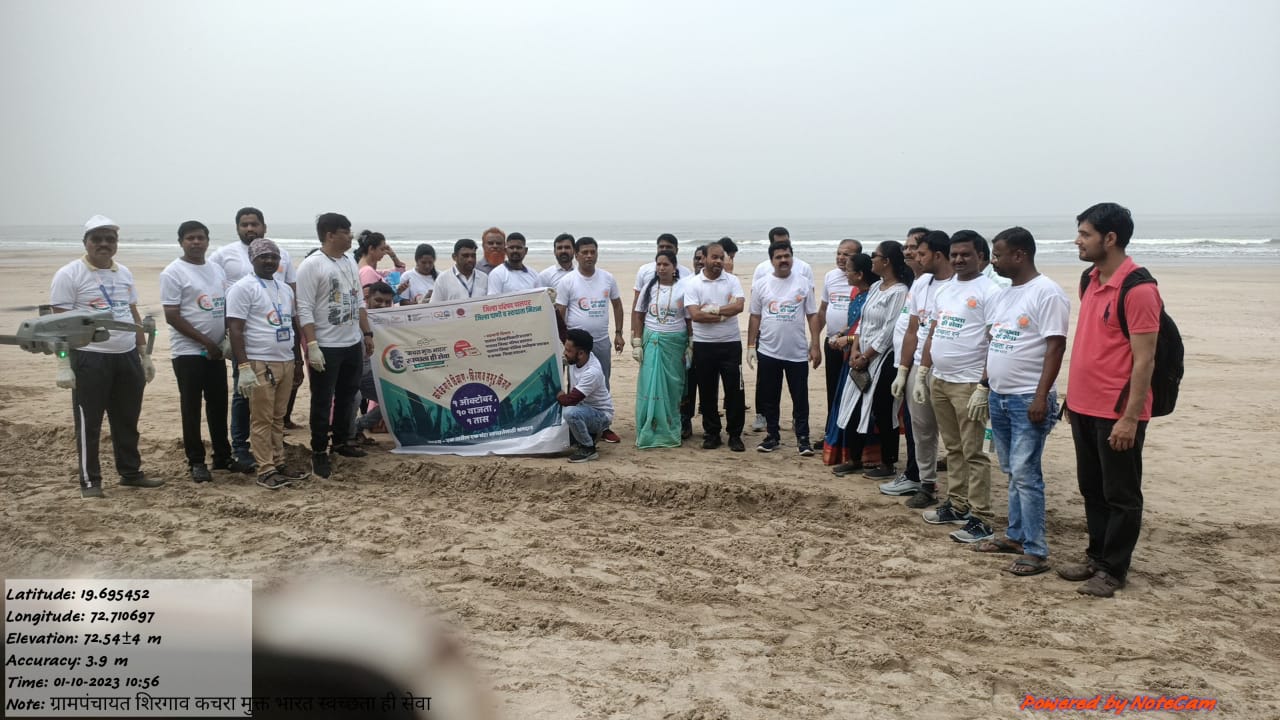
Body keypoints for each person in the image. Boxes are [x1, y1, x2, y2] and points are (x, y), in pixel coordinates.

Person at [1059, 202, 1161, 598]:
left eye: (1085, 234)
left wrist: (1130, 418)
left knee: (1121, 494)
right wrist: (1073, 400)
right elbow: (1094, 344)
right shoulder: (1089, 279)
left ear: (1111, 238)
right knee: (1092, 488)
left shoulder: (1139, 289)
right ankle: (1096, 556)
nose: (1078, 241)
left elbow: (1145, 359)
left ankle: (1113, 569)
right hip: (1083, 406)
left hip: (1118, 411)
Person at [971, 227, 1068, 577]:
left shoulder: (1047, 292)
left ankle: (1036, 550)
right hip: (1000, 397)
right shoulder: (1004, 295)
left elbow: (1055, 346)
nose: (993, 262)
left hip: (1028, 398)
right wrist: (985, 386)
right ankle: (1015, 536)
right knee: (1012, 471)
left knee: (1027, 475)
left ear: (1020, 255)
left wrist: (1041, 396)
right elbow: (995, 342)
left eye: (998, 255)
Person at [51, 215, 162, 498]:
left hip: (126, 356)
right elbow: (59, 325)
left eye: (110, 239)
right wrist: (63, 363)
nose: (104, 244)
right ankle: (90, 482)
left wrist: (143, 354)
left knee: (127, 420)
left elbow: (132, 313)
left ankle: (130, 473)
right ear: (85, 242)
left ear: (116, 243)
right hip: (90, 357)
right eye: (97, 239)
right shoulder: (69, 274)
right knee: (89, 423)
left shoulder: (123, 273)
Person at [917, 230, 1002, 543]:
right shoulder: (945, 289)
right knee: (953, 448)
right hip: (941, 379)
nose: (958, 259)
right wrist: (923, 371)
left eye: (965, 254)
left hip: (968, 383)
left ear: (980, 256)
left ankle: (981, 517)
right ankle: (957, 504)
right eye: (954, 254)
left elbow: (995, 340)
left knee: (974, 452)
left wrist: (984, 385)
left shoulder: (990, 291)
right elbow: (934, 331)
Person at [210, 207, 299, 466]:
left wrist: (299, 356)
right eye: (244, 224)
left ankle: (274, 454)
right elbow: (220, 298)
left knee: (275, 412)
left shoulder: (283, 263)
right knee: (244, 398)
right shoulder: (224, 255)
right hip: (250, 348)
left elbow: (291, 304)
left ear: (264, 226)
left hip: (280, 349)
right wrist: (243, 363)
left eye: (254, 224)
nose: (250, 228)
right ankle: (241, 448)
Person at [296, 212, 375, 479]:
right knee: (322, 399)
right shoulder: (312, 265)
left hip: (351, 341)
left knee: (348, 395)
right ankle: (319, 450)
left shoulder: (349, 261)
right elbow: (304, 308)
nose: (351, 236)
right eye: (345, 231)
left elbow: (358, 300)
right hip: (326, 345)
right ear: (330, 235)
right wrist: (312, 345)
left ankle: (342, 441)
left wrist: (366, 333)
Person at [226, 238, 310, 490]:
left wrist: (297, 361)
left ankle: (279, 462)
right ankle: (265, 469)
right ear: (252, 259)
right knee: (261, 419)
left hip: (285, 359)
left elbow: (292, 325)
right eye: (263, 256)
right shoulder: (242, 288)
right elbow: (235, 329)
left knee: (278, 417)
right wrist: (243, 367)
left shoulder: (285, 289)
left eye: (274, 257)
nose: (269, 261)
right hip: (259, 360)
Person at [833, 242, 913, 478]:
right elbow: (863, 322)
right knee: (853, 404)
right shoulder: (877, 286)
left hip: (883, 358)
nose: (871, 260)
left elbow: (889, 331)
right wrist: (855, 350)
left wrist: (867, 356)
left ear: (886, 261)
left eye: (875, 256)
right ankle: (854, 458)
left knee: (882, 409)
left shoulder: (899, 291)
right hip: (862, 354)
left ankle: (888, 463)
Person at [886, 230, 954, 508]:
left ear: (937, 255)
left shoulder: (957, 285)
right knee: (921, 427)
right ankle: (927, 483)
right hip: (917, 364)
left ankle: (961, 495)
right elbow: (913, 329)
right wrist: (903, 370)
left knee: (954, 435)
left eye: (921, 253)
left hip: (948, 368)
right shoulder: (921, 282)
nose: (915, 257)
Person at [160, 220, 232, 482]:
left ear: (208, 241)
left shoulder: (216, 269)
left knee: (218, 404)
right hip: (188, 352)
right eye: (190, 238)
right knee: (191, 408)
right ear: (181, 242)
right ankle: (196, 461)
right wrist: (205, 342)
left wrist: (223, 340)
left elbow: (223, 305)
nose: (196, 242)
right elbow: (172, 315)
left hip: (216, 352)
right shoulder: (173, 272)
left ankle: (222, 456)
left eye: (200, 238)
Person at [747, 241, 821, 455]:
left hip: (797, 352)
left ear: (792, 257)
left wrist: (815, 345)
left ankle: (803, 438)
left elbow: (812, 315)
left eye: (787, 256)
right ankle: (772, 436)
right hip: (768, 350)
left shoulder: (803, 283)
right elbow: (755, 316)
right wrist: (751, 346)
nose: (783, 260)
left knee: (800, 397)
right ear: (771, 260)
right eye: (778, 257)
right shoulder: (761, 284)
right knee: (770, 397)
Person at [553, 236, 625, 443]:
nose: (589, 256)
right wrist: (562, 342)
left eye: (593, 252)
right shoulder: (567, 281)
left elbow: (617, 305)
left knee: (602, 381)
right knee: (575, 384)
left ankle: (604, 426)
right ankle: (575, 425)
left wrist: (618, 333)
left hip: (601, 341)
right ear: (576, 255)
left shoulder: (608, 278)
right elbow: (560, 312)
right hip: (576, 345)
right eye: (584, 252)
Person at [879, 227, 931, 497]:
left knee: (921, 428)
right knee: (912, 425)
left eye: (915, 248)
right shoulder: (916, 282)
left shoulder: (933, 284)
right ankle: (914, 474)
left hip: (922, 365)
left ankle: (918, 477)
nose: (909, 252)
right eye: (907, 247)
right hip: (906, 364)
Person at [684, 242, 747, 452]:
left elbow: (739, 306)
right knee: (707, 391)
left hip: (730, 344)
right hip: (704, 345)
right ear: (704, 258)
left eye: (721, 257)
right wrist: (723, 314)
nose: (719, 261)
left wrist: (712, 310)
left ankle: (735, 435)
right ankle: (712, 433)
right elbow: (695, 315)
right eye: (714, 257)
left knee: (735, 391)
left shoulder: (732, 280)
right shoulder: (693, 283)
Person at [631, 251, 689, 448]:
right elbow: (639, 314)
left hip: (675, 344)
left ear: (674, 268)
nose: (662, 268)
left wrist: (690, 343)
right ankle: (648, 431)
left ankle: (669, 432)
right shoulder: (649, 287)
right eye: (659, 264)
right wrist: (637, 341)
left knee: (673, 387)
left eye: (666, 264)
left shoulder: (683, 288)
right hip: (652, 342)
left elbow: (688, 318)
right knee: (649, 385)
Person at [823, 253, 876, 470]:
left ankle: (862, 456)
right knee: (845, 403)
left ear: (860, 274)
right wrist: (841, 334)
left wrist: (849, 340)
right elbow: (854, 323)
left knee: (861, 408)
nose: (846, 274)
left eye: (849, 270)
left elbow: (871, 331)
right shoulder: (856, 293)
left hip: (866, 357)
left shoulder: (873, 296)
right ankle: (848, 453)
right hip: (851, 356)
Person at [817, 239, 862, 411]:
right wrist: (815, 340)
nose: (841, 257)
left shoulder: (864, 279)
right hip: (832, 342)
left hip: (854, 344)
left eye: (846, 254)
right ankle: (832, 426)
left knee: (853, 391)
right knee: (833, 389)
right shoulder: (830, 276)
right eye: (838, 253)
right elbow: (823, 310)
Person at [558, 329, 614, 463]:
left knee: (570, 413)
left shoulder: (592, 372)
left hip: (600, 415)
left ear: (581, 353)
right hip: (584, 410)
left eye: (568, 351)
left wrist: (559, 396)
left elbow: (570, 400)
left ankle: (588, 448)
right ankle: (590, 435)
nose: (565, 353)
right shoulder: (577, 359)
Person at [354, 282, 396, 442]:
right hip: (357, 373)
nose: (383, 305)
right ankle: (352, 430)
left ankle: (357, 427)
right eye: (378, 300)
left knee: (394, 399)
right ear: (367, 299)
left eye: (387, 302)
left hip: (378, 374)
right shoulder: (357, 320)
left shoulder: (390, 321)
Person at [631, 233, 693, 322]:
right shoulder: (644, 270)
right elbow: (637, 302)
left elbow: (689, 305)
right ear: (657, 248)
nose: (664, 249)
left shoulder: (686, 273)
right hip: (649, 324)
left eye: (669, 247)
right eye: (661, 247)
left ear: (676, 250)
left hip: (676, 324)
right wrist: (634, 328)